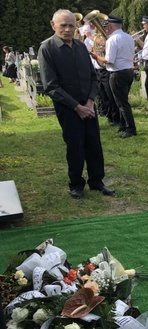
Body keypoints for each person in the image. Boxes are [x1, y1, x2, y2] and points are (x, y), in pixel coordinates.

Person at [38, 10, 115, 199]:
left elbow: (92, 77)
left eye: (71, 25)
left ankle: (97, 181)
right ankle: (76, 184)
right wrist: (77, 107)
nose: (67, 29)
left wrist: (89, 102)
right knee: (75, 146)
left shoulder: (80, 47)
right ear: (53, 25)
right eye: (63, 25)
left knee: (94, 144)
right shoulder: (47, 49)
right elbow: (51, 86)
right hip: (68, 107)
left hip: (88, 106)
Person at [91, 15, 137, 138]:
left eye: (107, 27)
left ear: (110, 26)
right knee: (122, 101)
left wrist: (96, 56)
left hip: (117, 73)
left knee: (122, 103)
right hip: (128, 71)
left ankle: (130, 129)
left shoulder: (112, 39)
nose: (105, 29)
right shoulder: (128, 37)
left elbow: (108, 60)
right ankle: (123, 125)